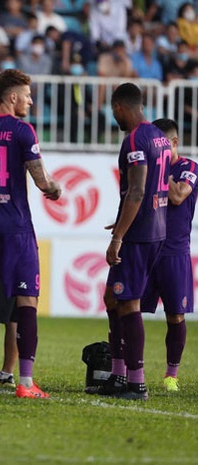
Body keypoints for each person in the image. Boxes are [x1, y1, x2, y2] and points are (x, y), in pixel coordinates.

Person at [0, 69, 62, 399]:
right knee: (26, 302)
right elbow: (41, 180)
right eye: (27, 95)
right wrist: (55, 189)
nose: (31, 101)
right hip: (15, 229)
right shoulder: (22, 131)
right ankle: (24, 382)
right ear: (12, 98)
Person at [99, 83, 171, 401]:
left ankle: (136, 382)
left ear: (119, 107)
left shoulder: (135, 139)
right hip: (153, 227)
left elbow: (138, 190)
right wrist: (123, 220)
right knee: (113, 299)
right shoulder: (159, 136)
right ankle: (118, 374)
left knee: (127, 303)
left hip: (139, 236)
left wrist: (118, 237)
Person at [141, 118, 195, 393]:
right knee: (129, 308)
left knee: (175, 316)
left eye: (160, 144)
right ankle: (129, 369)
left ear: (173, 143)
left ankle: (171, 375)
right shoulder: (147, 166)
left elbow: (177, 197)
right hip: (146, 247)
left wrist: (160, 172)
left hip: (174, 252)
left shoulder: (188, 168)